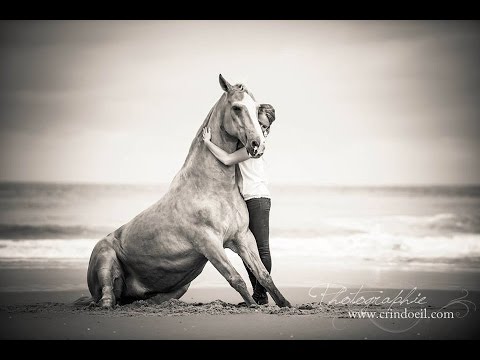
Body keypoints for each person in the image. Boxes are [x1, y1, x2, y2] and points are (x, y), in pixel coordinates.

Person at [202, 104, 275, 305]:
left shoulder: (257, 145)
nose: (258, 126)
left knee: (261, 250)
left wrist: (208, 143)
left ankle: (261, 295)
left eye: (263, 124)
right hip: (247, 199)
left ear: (267, 127)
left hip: (258, 199)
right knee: (246, 248)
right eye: (256, 121)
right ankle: (258, 294)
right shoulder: (250, 140)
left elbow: (227, 159)